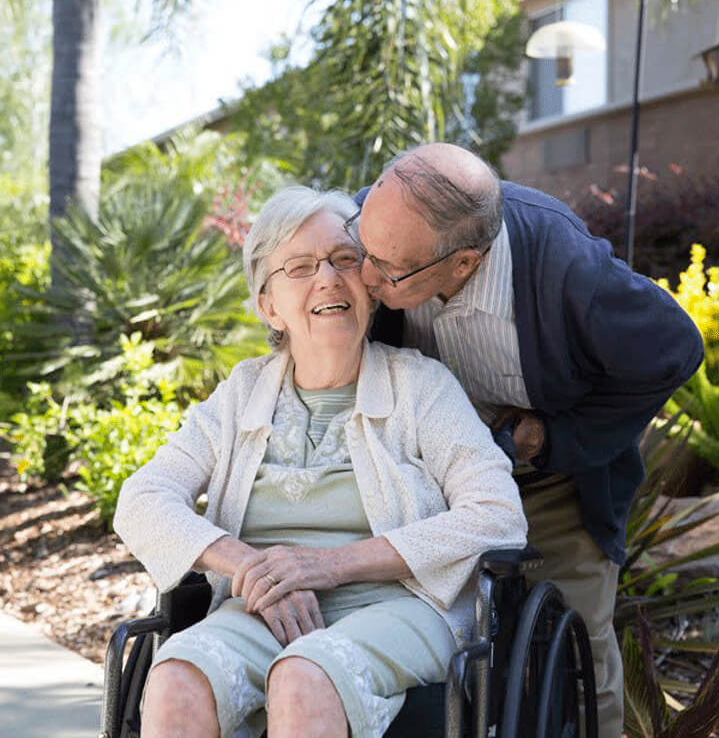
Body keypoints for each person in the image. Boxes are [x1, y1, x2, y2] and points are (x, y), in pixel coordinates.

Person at [113, 185, 527, 738]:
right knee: (177, 678)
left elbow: (498, 516)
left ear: (371, 285)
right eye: (301, 266)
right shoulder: (241, 393)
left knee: (304, 675)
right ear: (268, 305)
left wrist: (330, 566)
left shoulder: (421, 386)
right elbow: (142, 499)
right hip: (265, 608)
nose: (328, 278)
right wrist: (247, 565)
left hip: (401, 606)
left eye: (344, 259)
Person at [349, 143, 705, 738]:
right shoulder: (382, 225)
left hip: (549, 483)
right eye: (363, 248)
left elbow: (676, 348)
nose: (364, 275)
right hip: (423, 480)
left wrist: (553, 436)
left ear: (463, 264)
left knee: (578, 646)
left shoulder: (568, 272)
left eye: (386, 269)